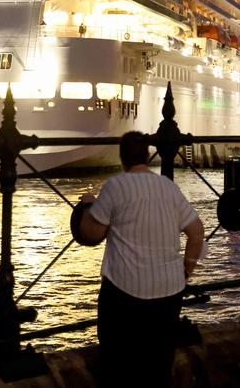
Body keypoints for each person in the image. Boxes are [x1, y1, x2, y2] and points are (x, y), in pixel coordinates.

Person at [79, 131, 204, 388]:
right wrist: (185, 272)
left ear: (122, 156)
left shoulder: (116, 186)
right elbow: (197, 232)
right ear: (147, 155)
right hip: (169, 290)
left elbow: (92, 233)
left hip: (126, 292)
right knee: (158, 365)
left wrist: (87, 206)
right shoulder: (168, 187)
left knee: (119, 365)